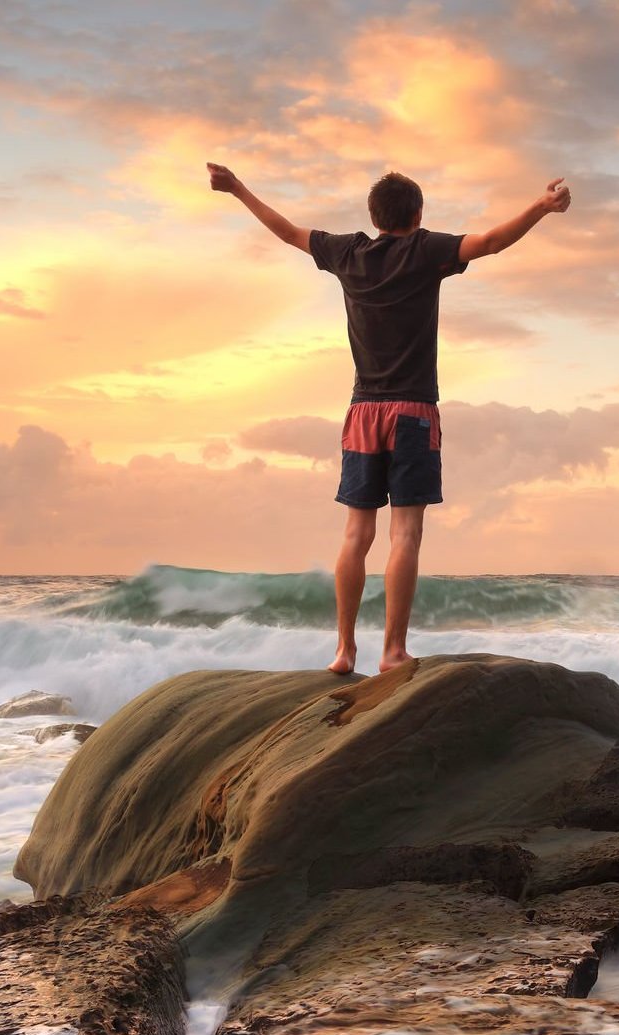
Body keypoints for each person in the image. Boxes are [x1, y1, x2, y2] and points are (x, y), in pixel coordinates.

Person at [207, 161, 573, 673]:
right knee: (406, 534)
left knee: (356, 535)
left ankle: (343, 649)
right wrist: (541, 206)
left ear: (373, 216)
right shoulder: (426, 250)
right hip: (413, 411)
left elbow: (288, 231)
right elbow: (490, 242)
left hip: (363, 410)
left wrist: (237, 188)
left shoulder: (348, 253)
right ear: (419, 214)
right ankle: (393, 651)